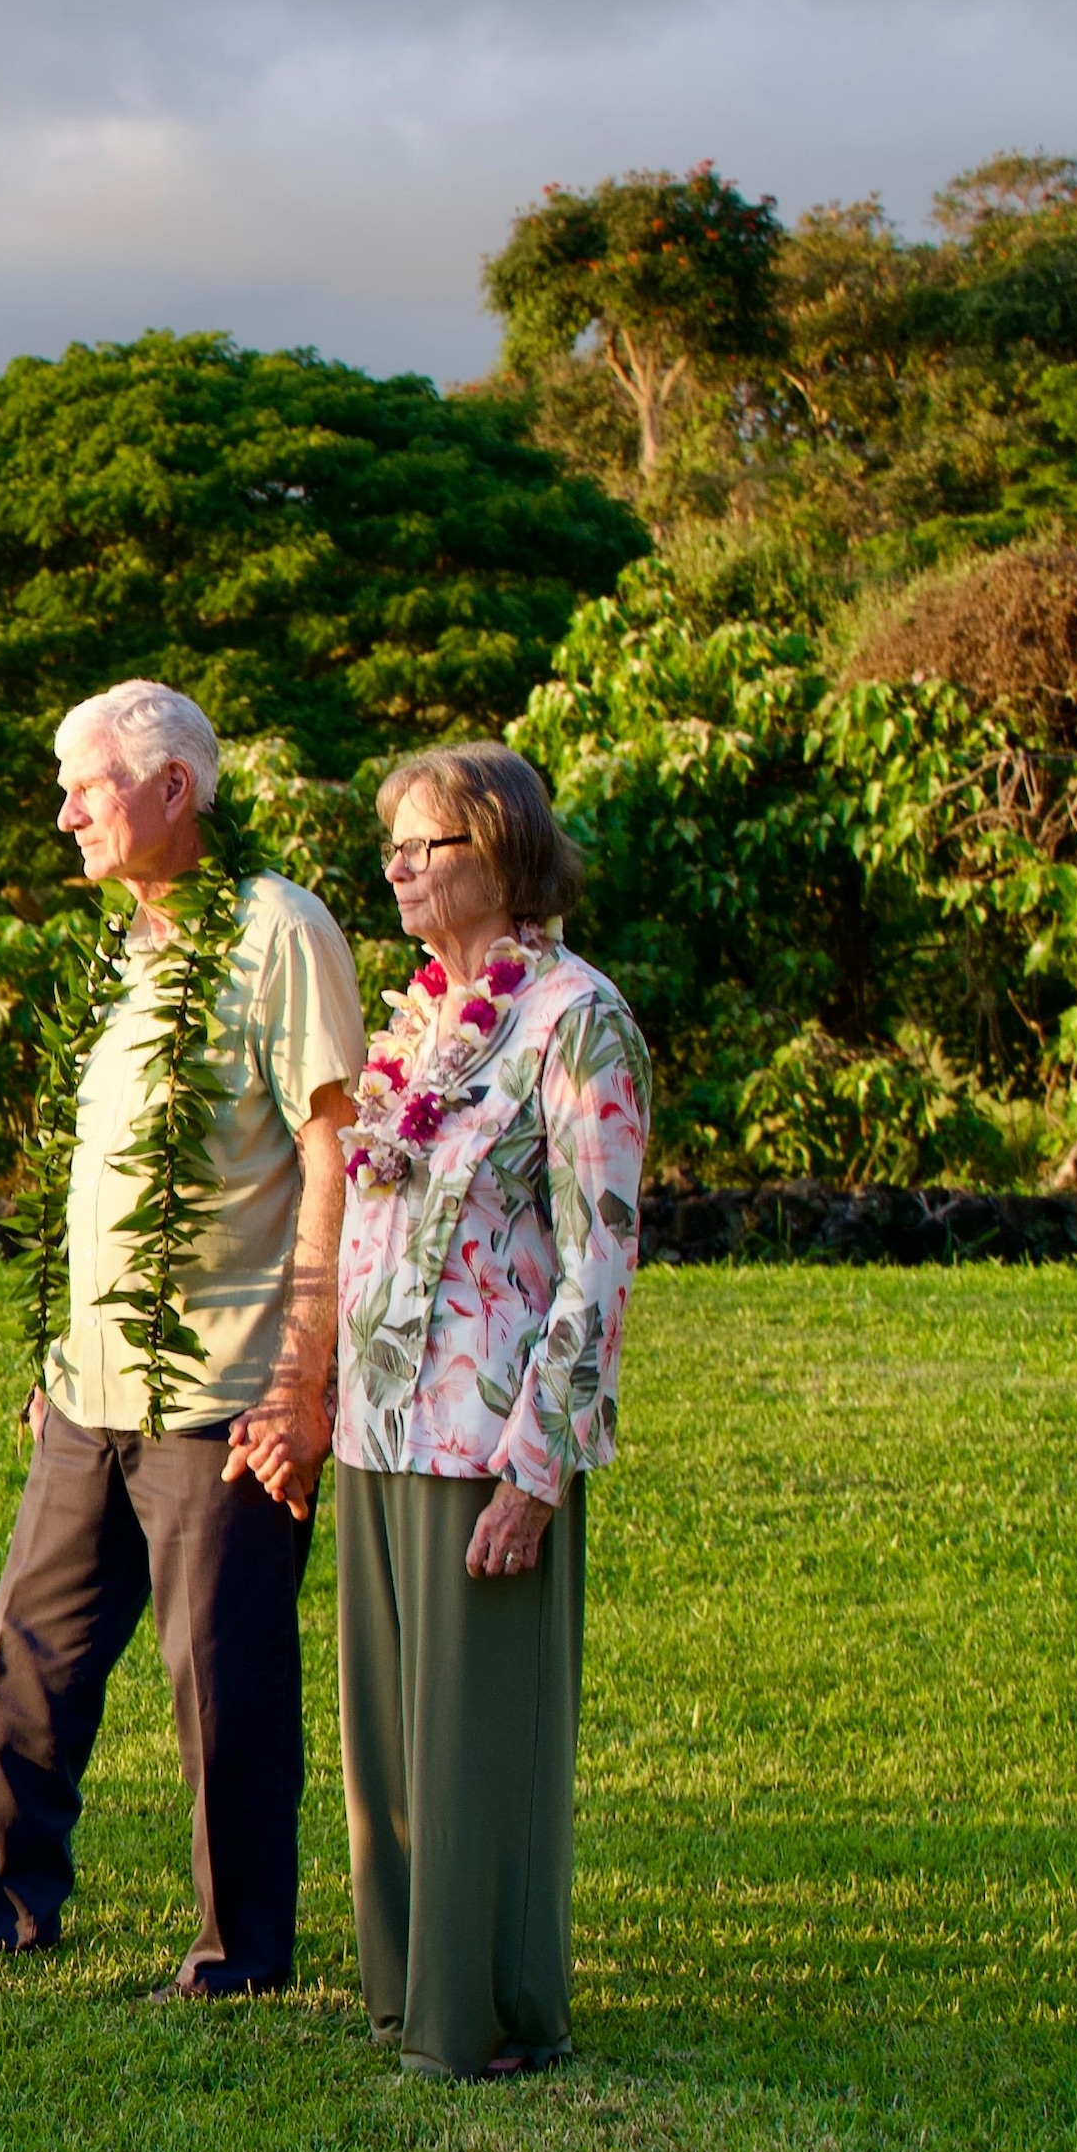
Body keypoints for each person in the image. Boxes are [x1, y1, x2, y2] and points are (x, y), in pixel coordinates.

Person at [0, 679, 365, 1994]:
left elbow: (333, 1150)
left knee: (224, 1679)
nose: (63, 811)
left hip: (223, 1385)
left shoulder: (277, 929)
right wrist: (57, 1356)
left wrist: (301, 1377)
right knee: (32, 1650)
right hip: (90, 1386)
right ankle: (0, 1904)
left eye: (85, 786)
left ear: (171, 789)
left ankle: (241, 1951)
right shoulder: (123, 947)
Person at [332, 742, 648, 2081]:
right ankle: (408, 1997)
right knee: (392, 1748)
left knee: (477, 1743)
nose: (400, 863)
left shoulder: (577, 1017)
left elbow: (602, 1249)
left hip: (487, 1438)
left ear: (505, 852)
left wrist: (542, 1463)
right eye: (394, 843)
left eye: (430, 843)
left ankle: (489, 2016)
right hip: (381, 1430)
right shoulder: (416, 1021)